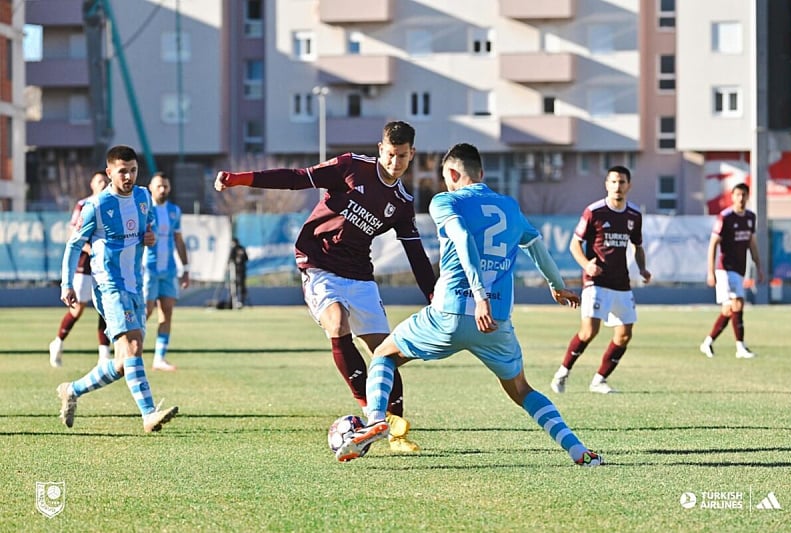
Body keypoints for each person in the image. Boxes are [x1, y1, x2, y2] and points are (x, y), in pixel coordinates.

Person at [334, 142, 603, 466]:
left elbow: (461, 238)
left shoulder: (445, 201)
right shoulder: (509, 206)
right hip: (496, 322)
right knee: (521, 389)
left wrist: (479, 297)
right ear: (482, 174)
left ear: (451, 173)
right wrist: (557, 286)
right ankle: (578, 450)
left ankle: (376, 418)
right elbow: (535, 245)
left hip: (449, 313)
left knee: (384, 355)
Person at [214, 121, 436, 453]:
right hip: (319, 263)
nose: (395, 163)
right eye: (390, 155)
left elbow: (416, 254)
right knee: (337, 323)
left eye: (402, 157)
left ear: (411, 154)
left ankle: (396, 434)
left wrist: (434, 298)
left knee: (385, 352)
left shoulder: (402, 202)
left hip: (359, 275)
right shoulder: (350, 167)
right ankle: (368, 413)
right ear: (380, 149)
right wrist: (240, 180)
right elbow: (296, 178)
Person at [56, 145, 178, 433]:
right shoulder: (96, 206)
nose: (129, 176)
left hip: (136, 283)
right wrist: (67, 283)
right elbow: (73, 246)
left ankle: (71, 389)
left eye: (133, 170)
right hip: (109, 285)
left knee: (124, 362)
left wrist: (148, 237)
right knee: (133, 345)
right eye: (123, 171)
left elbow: (147, 232)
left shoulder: (143, 196)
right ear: (109, 172)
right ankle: (149, 414)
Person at [550, 165, 651, 395]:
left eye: (622, 182)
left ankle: (599, 380)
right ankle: (563, 372)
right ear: (607, 184)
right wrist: (587, 264)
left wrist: (643, 269)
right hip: (596, 281)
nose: (618, 186)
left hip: (621, 283)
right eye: (613, 182)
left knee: (625, 335)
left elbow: (637, 246)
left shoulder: (634, 215)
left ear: (629, 185)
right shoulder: (594, 211)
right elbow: (574, 244)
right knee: (589, 331)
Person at [49, 171, 113, 367]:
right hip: (84, 266)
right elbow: (73, 235)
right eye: (99, 181)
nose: (102, 184)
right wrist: (93, 248)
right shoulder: (84, 204)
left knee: (106, 310)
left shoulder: (112, 203)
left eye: (105, 181)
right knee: (77, 309)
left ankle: (104, 354)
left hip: (105, 266)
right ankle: (57, 343)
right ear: (92, 184)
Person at [699, 182, 764, 359]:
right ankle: (740, 347)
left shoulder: (750, 217)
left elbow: (752, 243)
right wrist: (711, 271)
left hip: (740, 269)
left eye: (744, 195)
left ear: (748, 196)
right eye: (738, 195)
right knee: (738, 302)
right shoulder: (725, 217)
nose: (741, 198)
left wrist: (759, 266)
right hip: (725, 269)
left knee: (729, 310)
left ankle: (707, 342)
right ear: (732, 196)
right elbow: (713, 244)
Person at [144, 172, 190, 371]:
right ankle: (130, 353)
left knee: (167, 313)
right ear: (151, 188)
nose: (163, 190)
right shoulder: (144, 209)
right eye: (159, 186)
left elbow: (179, 240)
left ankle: (159, 358)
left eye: (166, 186)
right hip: (148, 269)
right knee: (144, 313)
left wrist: (185, 268)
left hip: (169, 270)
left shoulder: (174, 211)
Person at [229, 238, 249, 309]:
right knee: (241, 287)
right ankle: (241, 302)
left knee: (234, 287)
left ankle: (234, 303)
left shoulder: (234, 249)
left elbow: (230, 260)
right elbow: (247, 259)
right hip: (242, 270)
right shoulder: (242, 248)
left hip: (236, 271)